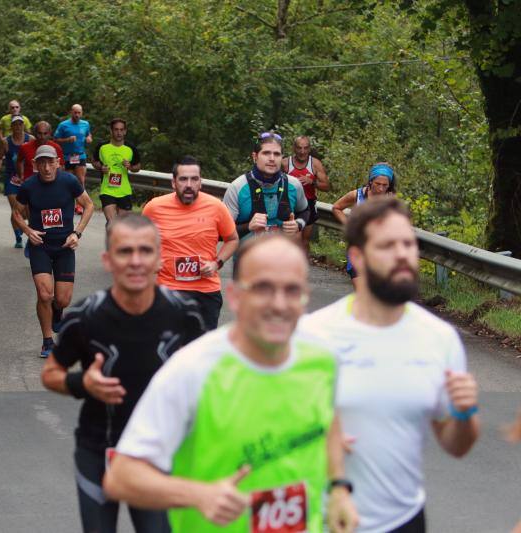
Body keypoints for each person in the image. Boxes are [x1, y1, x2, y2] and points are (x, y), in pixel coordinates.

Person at [104, 235, 359, 533]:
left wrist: (339, 487)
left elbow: (329, 420)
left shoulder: (323, 356)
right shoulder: (193, 370)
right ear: (235, 296)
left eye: (292, 290)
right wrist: (199, 495)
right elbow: (121, 477)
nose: (279, 304)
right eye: (263, 288)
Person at [300, 197, 479, 533]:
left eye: (408, 243)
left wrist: (465, 413)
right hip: (323, 518)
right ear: (357, 257)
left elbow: (456, 445)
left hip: (404, 521)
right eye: (387, 245)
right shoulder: (314, 334)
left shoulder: (439, 338)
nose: (402, 254)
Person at [41, 214, 206, 533]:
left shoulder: (185, 314)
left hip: (159, 452)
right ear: (107, 260)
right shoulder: (85, 316)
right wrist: (82, 383)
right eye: (124, 251)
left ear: (159, 259)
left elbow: (208, 381)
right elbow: (50, 373)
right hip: (99, 448)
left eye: (145, 251)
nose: (136, 261)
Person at [12, 145, 94, 357]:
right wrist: (28, 231)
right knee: (44, 294)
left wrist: (77, 233)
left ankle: (58, 311)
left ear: (58, 162)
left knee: (62, 299)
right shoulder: (29, 186)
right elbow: (16, 213)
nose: (47, 168)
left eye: (50, 162)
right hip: (40, 246)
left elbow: (89, 205)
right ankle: (47, 340)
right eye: (42, 163)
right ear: (35, 165)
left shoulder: (69, 182)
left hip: (65, 246)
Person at [142, 156, 238, 330]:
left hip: (205, 291)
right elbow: (139, 242)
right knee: (168, 351)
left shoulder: (216, 207)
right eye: (183, 179)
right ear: (173, 183)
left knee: (201, 352)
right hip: (168, 290)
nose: (189, 184)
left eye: (194, 179)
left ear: (200, 182)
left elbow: (232, 239)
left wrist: (216, 263)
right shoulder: (154, 208)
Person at [223, 133, 311, 247]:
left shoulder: (294, 185)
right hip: (247, 262)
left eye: (277, 154)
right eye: (266, 153)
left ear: (282, 157)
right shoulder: (237, 187)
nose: (272, 159)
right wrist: (248, 226)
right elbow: (222, 234)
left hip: (283, 261)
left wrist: (298, 224)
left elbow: (305, 211)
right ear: (255, 156)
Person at [331, 162, 396, 284]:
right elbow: (336, 208)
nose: (381, 188)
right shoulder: (358, 195)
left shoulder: (390, 199)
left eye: (385, 185)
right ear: (370, 181)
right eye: (377, 184)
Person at [283, 136, 330, 253]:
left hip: (308, 204)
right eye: (299, 148)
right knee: (291, 238)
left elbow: (327, 187)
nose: (302, 151)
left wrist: (312, 182)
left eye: (305, 148)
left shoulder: (315, 164)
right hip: (290, 204)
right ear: (294, 148)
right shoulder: (284, 163)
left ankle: (303, 268)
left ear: (309, 149)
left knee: (304, 240)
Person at [92, 118, 141, 224]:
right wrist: (101, 167)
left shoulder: (130, 148)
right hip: (107, 190)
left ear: (125, 131)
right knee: (112, 223)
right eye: (116, 130)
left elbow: (138, 166)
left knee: (123, 225)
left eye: (121, 130)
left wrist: (130, 167)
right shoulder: (102, 147)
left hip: (124, 191)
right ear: (111, 131)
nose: (119, 133)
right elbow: (94, 161)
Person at [0, 115, 32, 248]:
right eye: (15, 124)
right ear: (12, 127)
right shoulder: (6, 141)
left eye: (20, 124)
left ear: (23, 125)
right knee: (16, 209)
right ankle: (18, 237)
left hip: (27, 178)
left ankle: (23, 226)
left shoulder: (30, 140)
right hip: (12, 179)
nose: (18, 127)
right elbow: (0, 157)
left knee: (28, 211)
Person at [54, 104, 93, 213]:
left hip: (80, 156)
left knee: (80, 180)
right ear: (71, 112)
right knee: (68, 181)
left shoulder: (85, 124)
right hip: (67, 156)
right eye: (75, 112)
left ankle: (80, 205)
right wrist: (67, 140)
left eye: (79, 113)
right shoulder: (63, 125)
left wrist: (89, 138)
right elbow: (55, 139)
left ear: (82, 113)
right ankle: (69, 203)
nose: (77, 115)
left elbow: (88, 134)